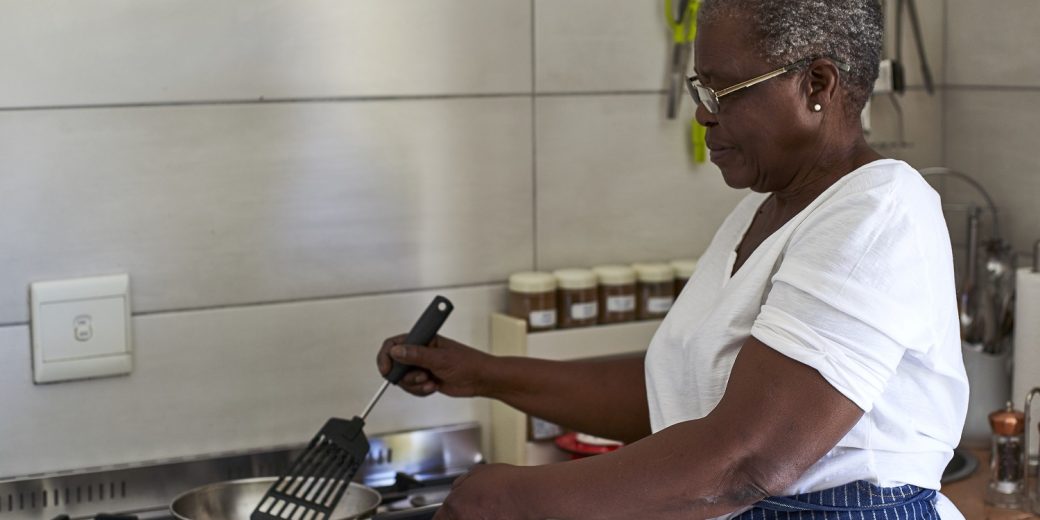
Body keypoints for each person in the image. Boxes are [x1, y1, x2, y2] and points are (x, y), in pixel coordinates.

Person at [377, 0, 969, 518]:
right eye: (699, 89)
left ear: (816, 84)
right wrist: (484, 373)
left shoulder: (878, 210)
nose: (703, 115)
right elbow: (676, 397)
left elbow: (749, 458)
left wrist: (521, 499)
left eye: (724, 91)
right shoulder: (764, 210)